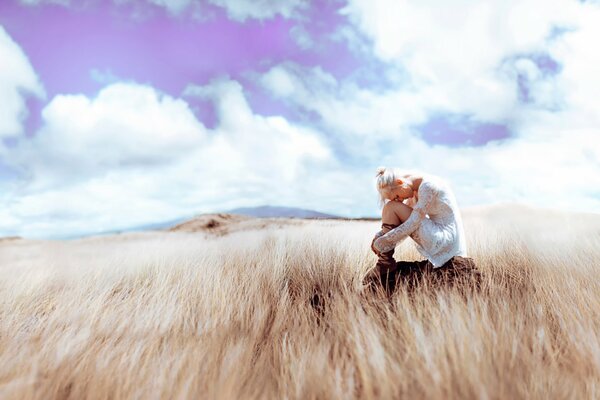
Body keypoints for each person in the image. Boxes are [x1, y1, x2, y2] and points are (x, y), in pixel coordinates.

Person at [363, 167, 474, 293]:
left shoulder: (428, 186)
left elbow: (412, 224)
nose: (398, 200)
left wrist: (383, 241)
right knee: (390, 207)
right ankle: (384, 262)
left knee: (390, 207)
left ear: (400, 183)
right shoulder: (416, 190)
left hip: (445, 239)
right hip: (443, 238)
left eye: (397, 196)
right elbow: (402, 224)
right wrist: (380, 236)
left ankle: (385, 263)